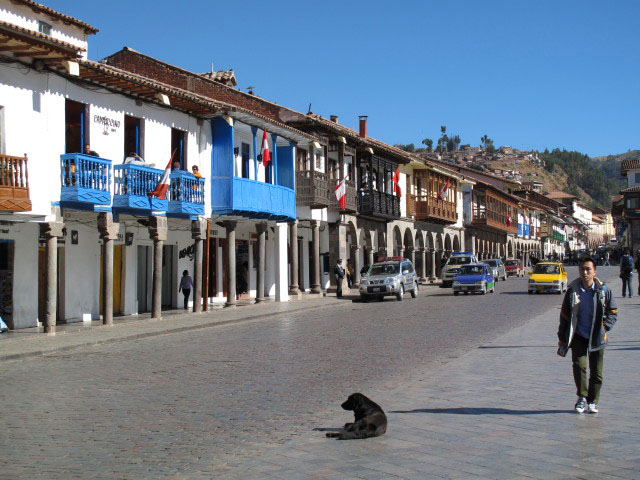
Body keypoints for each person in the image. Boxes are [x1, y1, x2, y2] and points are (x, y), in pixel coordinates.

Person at [557, 257, 617, 414]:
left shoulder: (603, 290)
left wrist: (605, 327)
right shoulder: (572, 291)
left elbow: (613, 312)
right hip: (578, 335)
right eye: (582, 269)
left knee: (597, 372)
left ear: (594, 272)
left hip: (597, 335)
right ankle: (582, 397)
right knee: (579, 366)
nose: (585, 272)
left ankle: (593, 400)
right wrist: (562, 338)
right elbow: (564, 315)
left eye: (588, 269)